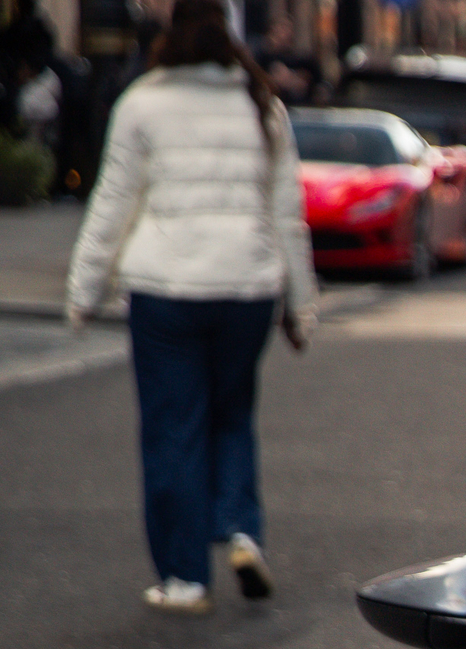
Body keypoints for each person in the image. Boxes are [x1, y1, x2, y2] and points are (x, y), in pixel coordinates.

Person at [66, 0, 315, 614]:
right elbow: (288, 214)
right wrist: (300, 305)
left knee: (173, 428)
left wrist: (84, 290)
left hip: (167, 289)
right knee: (231, 415)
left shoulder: (143, 103)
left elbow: (113, 202)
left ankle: (183, 578)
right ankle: (239, 530)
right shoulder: (262, 106)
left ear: (169, 34)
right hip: (247, 288)